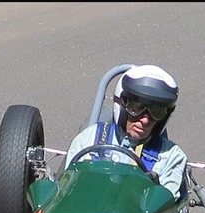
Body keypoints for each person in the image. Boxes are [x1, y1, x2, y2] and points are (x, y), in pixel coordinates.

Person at [64, 64, 187, 200]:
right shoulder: (89, 138)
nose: (145, 120)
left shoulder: (171, 156)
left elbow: (164, 208)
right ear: (122, 105)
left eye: (156, 112)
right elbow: (66, 189)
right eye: (137, 108)